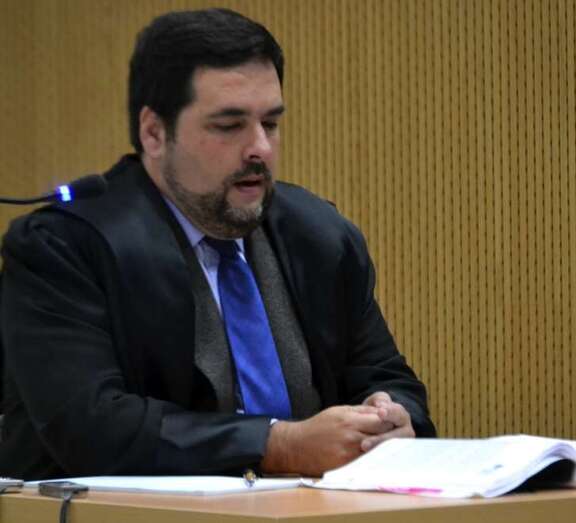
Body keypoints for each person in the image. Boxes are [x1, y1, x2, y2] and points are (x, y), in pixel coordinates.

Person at [0, 8, 435, 480]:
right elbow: (91, 426)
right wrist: (276, 446)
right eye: (229, 126)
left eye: (270, 123)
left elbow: (388, 377)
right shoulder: (65, 248)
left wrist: (393, 418)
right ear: (154, 133)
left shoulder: (319, 235)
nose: (260, 148)